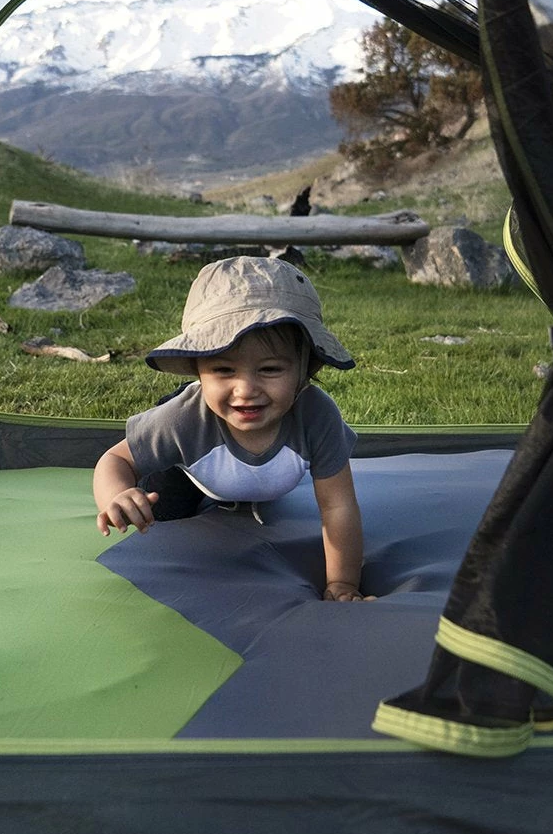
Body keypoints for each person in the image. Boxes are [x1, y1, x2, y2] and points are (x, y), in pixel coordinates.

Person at [93, 255, 374, 602]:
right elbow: (116, 459)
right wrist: (116, 495)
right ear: (197, 369)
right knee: (160, 518)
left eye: (269, 369)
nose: (246, 390)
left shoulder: (317, 417)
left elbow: (338, 506)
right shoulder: (181, 421)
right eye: (224, 370)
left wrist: (343, 584)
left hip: (252, 472)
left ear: (305, 370)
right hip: (189, 467)